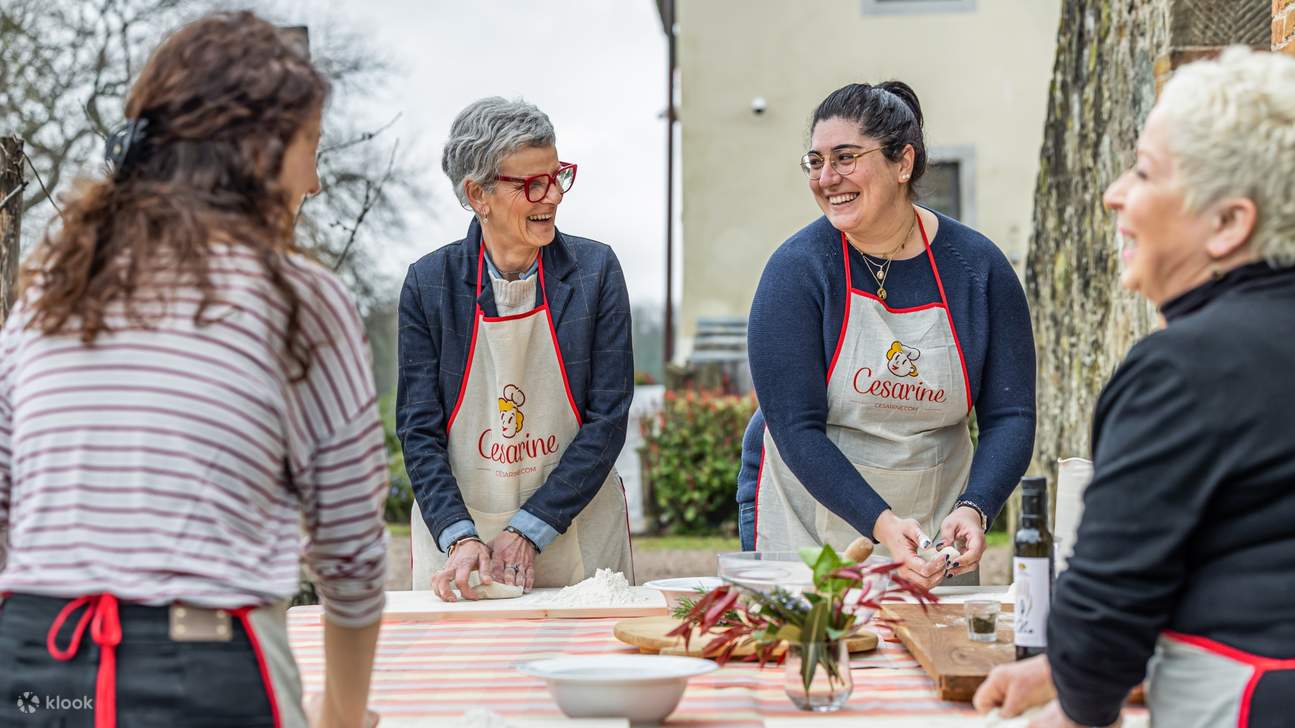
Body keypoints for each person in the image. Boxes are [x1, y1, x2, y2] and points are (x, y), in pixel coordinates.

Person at [0, 12, 386, 728]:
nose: (316, 178)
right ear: (260, 152)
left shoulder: (52, 280)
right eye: (309, 146)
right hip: (202, 670)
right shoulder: (296, 296)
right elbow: (353, 554)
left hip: (32, 663)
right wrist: (342, 713)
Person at [973, 47, 1295, 728]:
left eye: (1144, 172)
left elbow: (1106, 604)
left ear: (1227, 223)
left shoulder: (1181, 368)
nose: (1113, 193)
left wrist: (1076, 695)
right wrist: (1055, 668)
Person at [741, 81, 1036, 589]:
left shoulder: (977, 269)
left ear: (904, 162)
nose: (827, 178)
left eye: (846, 157)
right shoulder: (797, 271)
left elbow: (1010, 414)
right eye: (815, 161)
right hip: (809, 515)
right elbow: (795, 428)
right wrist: (880, 524)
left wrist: (976, 507)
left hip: (936, 530)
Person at [398, 98, 634, 601]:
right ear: (477, 194)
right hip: (461, 541)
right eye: (532, 184)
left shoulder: (596, 273)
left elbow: (608, 418)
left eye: (558, 176)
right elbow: (418, 431)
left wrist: (531, 527)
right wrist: (459, 536)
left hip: (578, 529)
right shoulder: (429, 285)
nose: (552, 196)